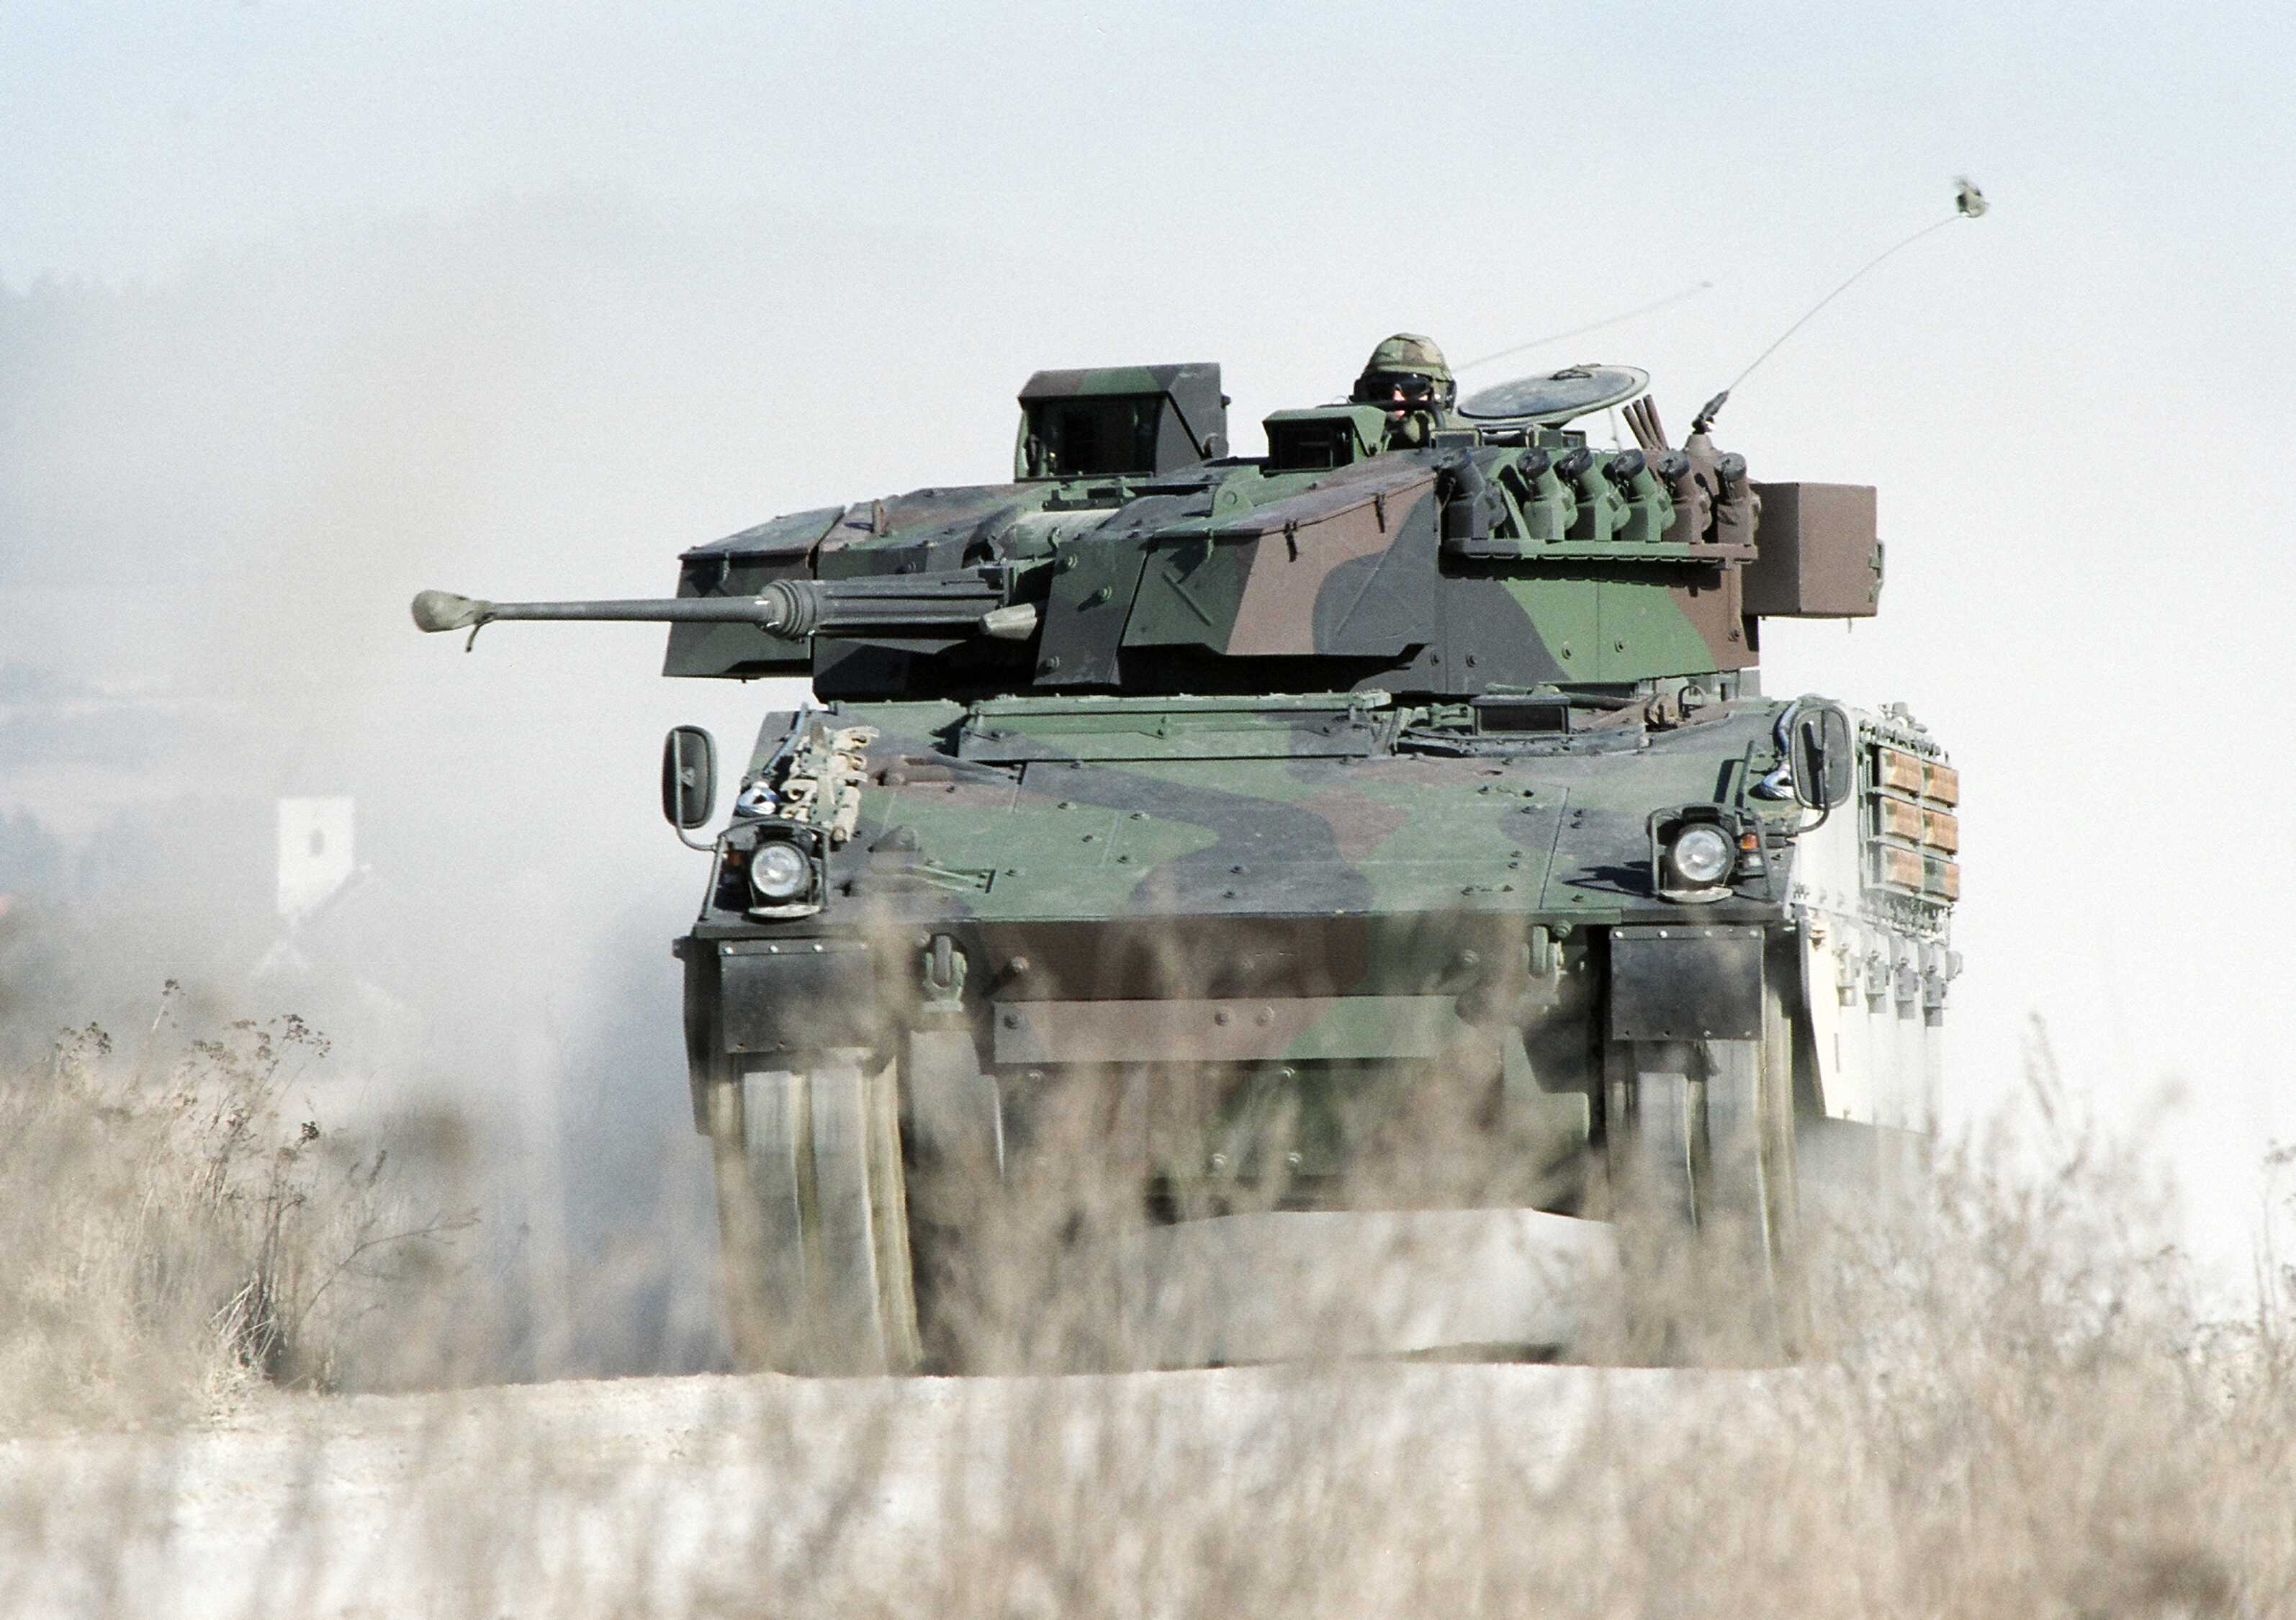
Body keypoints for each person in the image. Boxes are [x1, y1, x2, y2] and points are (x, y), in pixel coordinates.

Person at [1349, 332, 1457, 445]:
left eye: (1412, 388)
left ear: (1439, 393)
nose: (1397, 399)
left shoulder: (1461, 443)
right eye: (1383, 388)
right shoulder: (1349, 439)